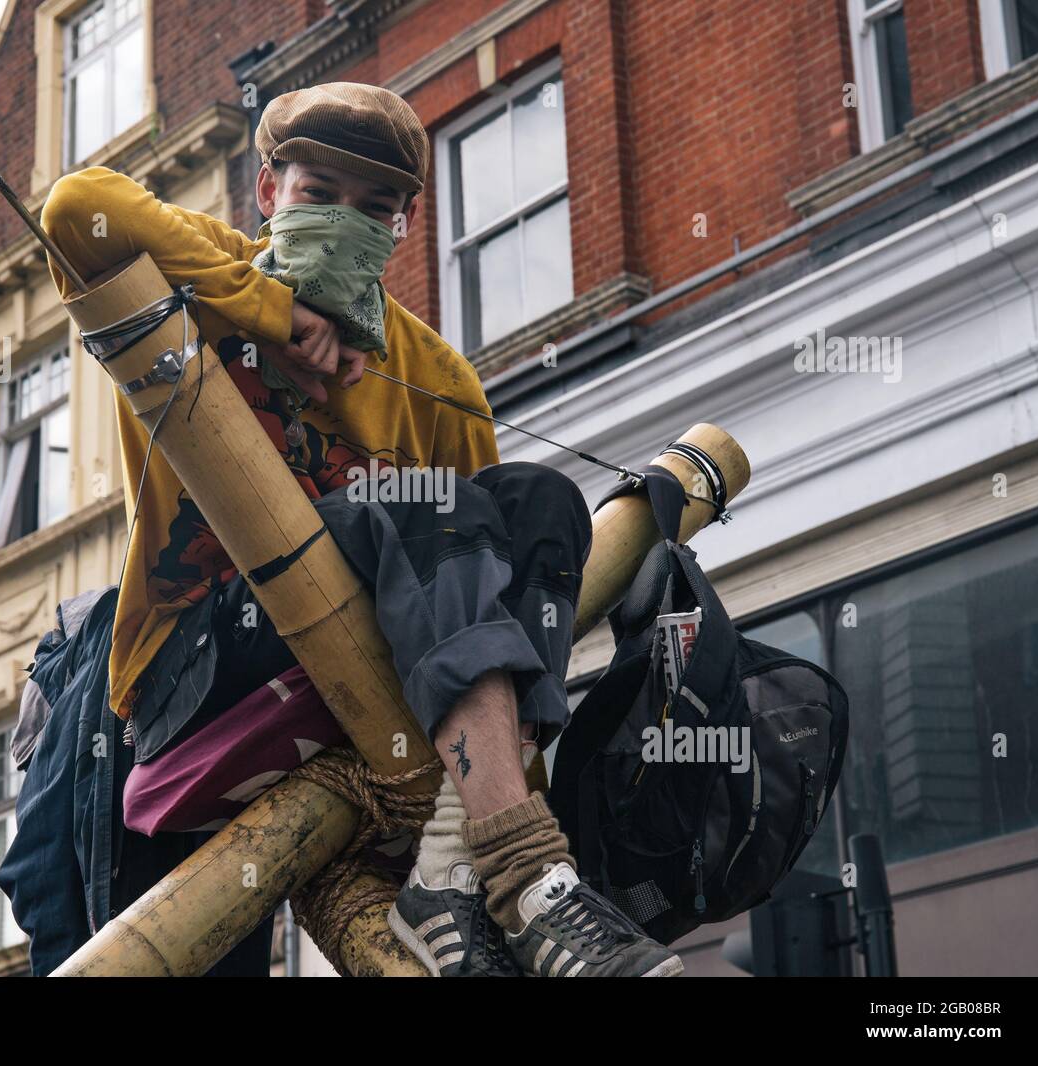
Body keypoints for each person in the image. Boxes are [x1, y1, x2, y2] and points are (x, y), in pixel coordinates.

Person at [38, 82, 681, 978]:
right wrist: (273, 312)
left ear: (405, 224)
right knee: (424, 504)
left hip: (367, 701)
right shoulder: (208, 276)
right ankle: (519, 862)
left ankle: (491, 861)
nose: (346, 221)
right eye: (317, 194)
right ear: (267, 192)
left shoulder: (438, 378)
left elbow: (482, 589)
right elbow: (77, 207)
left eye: (374, 207)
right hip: (201, 679)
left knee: (539, 501)